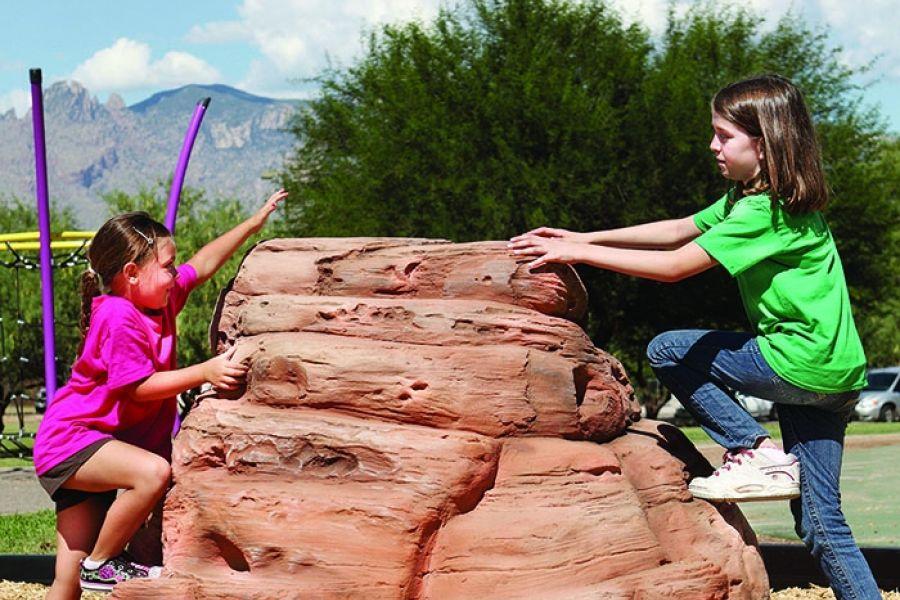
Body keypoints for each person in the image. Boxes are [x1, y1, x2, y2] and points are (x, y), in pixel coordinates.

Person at [508, 75, 879, 599]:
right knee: (822, 524)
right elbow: (681, 227)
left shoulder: (762, 210)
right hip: (836, 377)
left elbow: (677, 265)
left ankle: (752, 449)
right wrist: (582, 236)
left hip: (798, 362)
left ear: (764, 140)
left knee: (669, 349)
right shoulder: (765, 201)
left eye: (724, 136)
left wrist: (581, 256)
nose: (713, 146)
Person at [34, 189, 288, 598]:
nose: (175, 274)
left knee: (65, 582)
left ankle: (90, 568)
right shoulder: (118, 316)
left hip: (93, 447)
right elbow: (137, 388)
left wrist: (252, 223)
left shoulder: (162, 300)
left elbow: (202, 265)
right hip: (71, 442)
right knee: (152, 473)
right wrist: (205, 372)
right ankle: (101, 565)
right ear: (132, 274)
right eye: (167, 267)